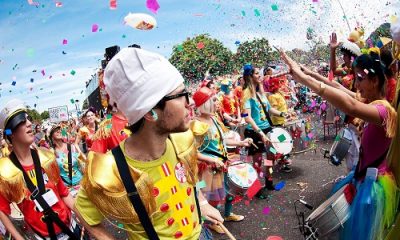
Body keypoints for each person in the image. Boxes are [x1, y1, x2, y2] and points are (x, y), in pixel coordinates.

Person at [74, 48, 223, 239]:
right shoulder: (111, 170)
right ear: (149, 112)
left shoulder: (182, 139)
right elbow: (82, 212)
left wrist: (202, 203)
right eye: (180, 95)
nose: (191, 101)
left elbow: (190, 175)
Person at [280, 49, 398, 240]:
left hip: (373, 187)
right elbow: (333, 84)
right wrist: (305, 71)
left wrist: (302, 79)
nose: (356, 85)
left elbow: (350, 106)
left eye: (360, 79)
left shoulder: (383, 111)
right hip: (362, 178)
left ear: (375, 80)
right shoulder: (371, 101)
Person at [0, 99, 81, 240]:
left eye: (28, 119)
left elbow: (64, 193)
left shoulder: (47, 157)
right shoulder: (4, 171)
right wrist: (18, 237)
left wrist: (84, 216)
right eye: (21, 121)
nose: (30, 124)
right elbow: (2, 210)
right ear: (10, 133)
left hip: (71, 228)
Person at [191, 86, 252, 234]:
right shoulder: (196, 125)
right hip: (207, 171)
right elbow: (190, 152)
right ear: (204, 103)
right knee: (208, 196)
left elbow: (223, 139)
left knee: (227, 192)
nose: (217, 102)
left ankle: (227, 214)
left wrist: (241, 143)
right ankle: (210, 223)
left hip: (221, 164)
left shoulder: (214, 118)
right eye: (213, 100)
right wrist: (210, 160)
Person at [241, 64, 288, 198]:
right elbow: (247, 117)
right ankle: (256, 189)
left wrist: (282, 114)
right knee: (257, 162)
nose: (259, 75)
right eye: (256, 73)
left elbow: (268, 109)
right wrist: (260, 134)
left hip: (267, 129)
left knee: (271, 157)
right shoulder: (246, 95)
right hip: (255, 132)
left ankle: (268, 180)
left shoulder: (261, 92)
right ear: (250, 76)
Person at [49, 125, 85, 197]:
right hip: (67, 189)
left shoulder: (72, 147)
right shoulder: (52, 152)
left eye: (60, 130)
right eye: (56, 131)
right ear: (52, 136)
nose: (59, 131)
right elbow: (53, 173)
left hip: (81, 183)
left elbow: (82, 164)